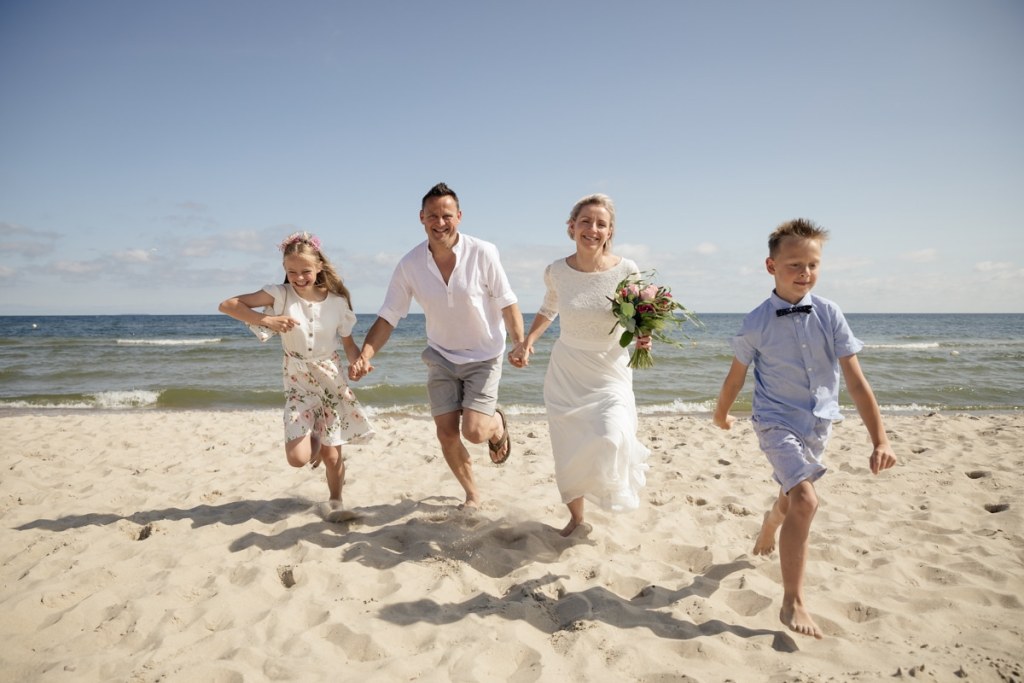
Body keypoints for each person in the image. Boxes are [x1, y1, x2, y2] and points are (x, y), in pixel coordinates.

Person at [711, 218, 897, 639]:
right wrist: (721, 414)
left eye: (812, 265)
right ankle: (792, 600)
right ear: (771, 266)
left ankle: (769, 523)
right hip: (774, 423)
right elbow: (735, 378)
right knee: (807, 500)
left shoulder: (830, 314)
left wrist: (880, 438)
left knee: (791, 497)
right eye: (794, 265)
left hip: (818, 424)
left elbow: (855, 380)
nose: (805, 273)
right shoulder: (756, 321)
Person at [349, 182, 524, 510]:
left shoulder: (483, 252)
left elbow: (507, 302)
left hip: (484, 355)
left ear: (459, 216)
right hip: (441, 355)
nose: (440, 223)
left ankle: (496, 424)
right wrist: (365, 355)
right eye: (433, 216)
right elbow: (389, 315)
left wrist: (519, 343)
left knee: (473, 432)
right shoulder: (409, 264)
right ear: (421, 218)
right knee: (446, 433)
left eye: (446, 215)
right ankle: (472, 494)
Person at [509, 193, 651, 537]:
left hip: (610, 367)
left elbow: (640, 317)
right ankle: (576, 518)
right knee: (569, 446)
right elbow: (548, 309)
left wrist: (644, 337)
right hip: (568, 369)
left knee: (611, 433)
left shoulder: (626, 269)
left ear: (610, 231)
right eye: (585, 222)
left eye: (601, 223)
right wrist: (527, 342)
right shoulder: (557, 270)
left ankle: (607, 489)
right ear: (571, 227)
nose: (593, 229)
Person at [219, 231, 375, 522]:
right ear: (284, 271)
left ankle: (336, 501)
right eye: (292, 272)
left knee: (332, 455)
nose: (299, 277)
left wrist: (360, 363)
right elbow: (227, 305)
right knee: (297, 459)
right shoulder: (280, 294)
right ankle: (314, 434)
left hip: (330, 380)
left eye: (305, 271)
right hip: (297, 382)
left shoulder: (338, 302)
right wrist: (267, 320)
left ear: (318, 268)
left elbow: (350, 345)